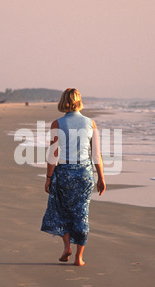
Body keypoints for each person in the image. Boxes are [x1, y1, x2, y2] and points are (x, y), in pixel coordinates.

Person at [41, 88, 106, 266]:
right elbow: (96, 154)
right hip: (85, 173)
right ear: (79, 101)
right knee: (81, 213)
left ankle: (66, 248)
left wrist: (48, 177)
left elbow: (53, 154)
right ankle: (79, 257)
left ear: (63, 101)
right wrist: (101, 177)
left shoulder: (57, 123)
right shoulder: (91, 123)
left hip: (64, 173)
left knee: (62, 211)